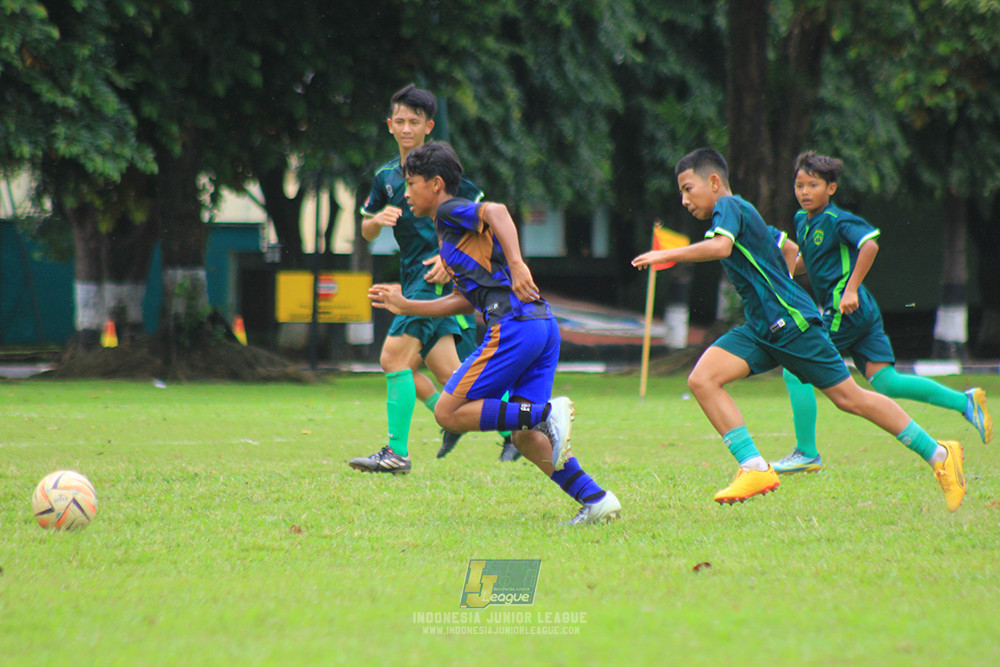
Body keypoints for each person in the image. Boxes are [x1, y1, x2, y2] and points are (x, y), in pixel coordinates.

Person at [631, 148, 965, 511]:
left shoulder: (728, 207)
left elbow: (722, 247)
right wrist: (780, 284)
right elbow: (789, 248)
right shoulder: (743, 215)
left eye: (688, 189)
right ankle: (754, 468)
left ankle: (939, 453)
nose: (684, 200)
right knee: (703, 379)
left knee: (850, 398)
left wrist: (667, 254)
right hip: (762, 328)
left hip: (792, 325)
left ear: (713, 182)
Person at [368, 141, 621, 525]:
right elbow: (462, 301)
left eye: (411, 183)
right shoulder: (448, 232)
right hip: (539, 326)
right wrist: (407, 306)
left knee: (447, 412)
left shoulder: (449, 210)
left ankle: (545, 414)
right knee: (523, 435)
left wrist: (518, 265)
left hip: (516, 327)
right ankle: (595, 498)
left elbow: (498, 211)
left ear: (436, 184)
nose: (405, 194)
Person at [771, 151, 992, 474]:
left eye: (813, 185)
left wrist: (849, 290)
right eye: (799, 185)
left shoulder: (837, 220)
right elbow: (811, 261)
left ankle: (806, 452)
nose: (804, 192)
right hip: (862, 310)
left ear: (831, 188)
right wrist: (782, 271)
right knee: (887, 382)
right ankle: (965, 402)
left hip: (845, 309)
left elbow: (869, 245)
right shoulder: (802, 221)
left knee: (795, 368)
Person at [348, 85, 516, 474]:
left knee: (393, 359)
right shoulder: (385, 178)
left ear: (429, 126)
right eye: (400, 121)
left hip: (434, 280)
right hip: (412, 280)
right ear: (389, 125)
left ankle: (397, 453)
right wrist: (376, 221)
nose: (407, 128)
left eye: (415, 121)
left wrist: (448, 257)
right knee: (453, 376)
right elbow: (366, 231)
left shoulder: (444, 174)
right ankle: (518, 425)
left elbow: (481, 222)